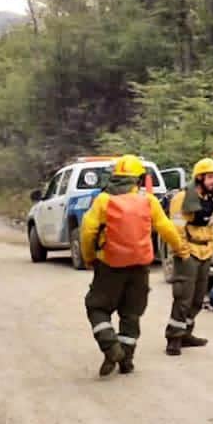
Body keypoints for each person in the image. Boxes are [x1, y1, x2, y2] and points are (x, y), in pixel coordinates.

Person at [77, 155, 185, 377]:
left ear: (115, 176)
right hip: (139, 267)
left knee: (96, 307)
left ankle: (111, 347)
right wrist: (181, 250)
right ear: (138, 179)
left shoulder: (103, 201)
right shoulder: (149, 201)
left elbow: (87, 231)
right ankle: (126, 360)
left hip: (110, 266)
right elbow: (166, 228)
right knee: (131, 314)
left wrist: (89, 257)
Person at [165, 158, 213, 355]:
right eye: (210, 177)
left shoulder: (208, 199)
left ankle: (187, 333)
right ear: (199, 177)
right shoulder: (182, 198)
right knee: (183, 297)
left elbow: (211, 226)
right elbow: (176, 228)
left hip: (205, 252)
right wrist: (183, 252)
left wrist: (212, 247)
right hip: (188, 253)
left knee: (198, 298)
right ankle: (174, 337)